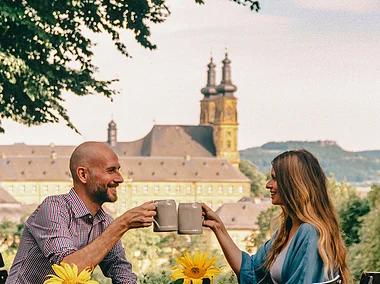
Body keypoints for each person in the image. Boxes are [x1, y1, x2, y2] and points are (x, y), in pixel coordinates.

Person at [6, 141, 156, 284]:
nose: (120, 179)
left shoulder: (105, 223)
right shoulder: (53, 208)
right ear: (83, 175)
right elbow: (69, 270)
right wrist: (122, 224)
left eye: (118, 170)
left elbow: (124, 276)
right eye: (111, 170)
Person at [201, 149, 352, 284]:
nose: (268, 184)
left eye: (274, 178)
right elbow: (252, 271)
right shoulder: (288, 228)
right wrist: (218, 227)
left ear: (293, 184)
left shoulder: (309, 232)